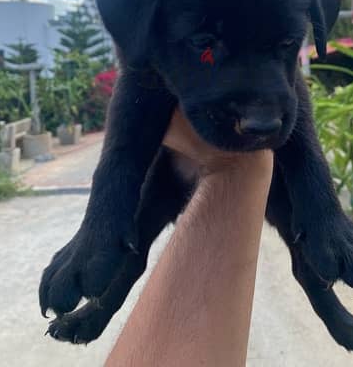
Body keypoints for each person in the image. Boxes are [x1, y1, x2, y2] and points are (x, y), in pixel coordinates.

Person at [105, 109, 274, 367]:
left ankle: (329, 308)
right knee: (135, 244)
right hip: (166, 169)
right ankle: (101, 309)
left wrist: (239, 166)